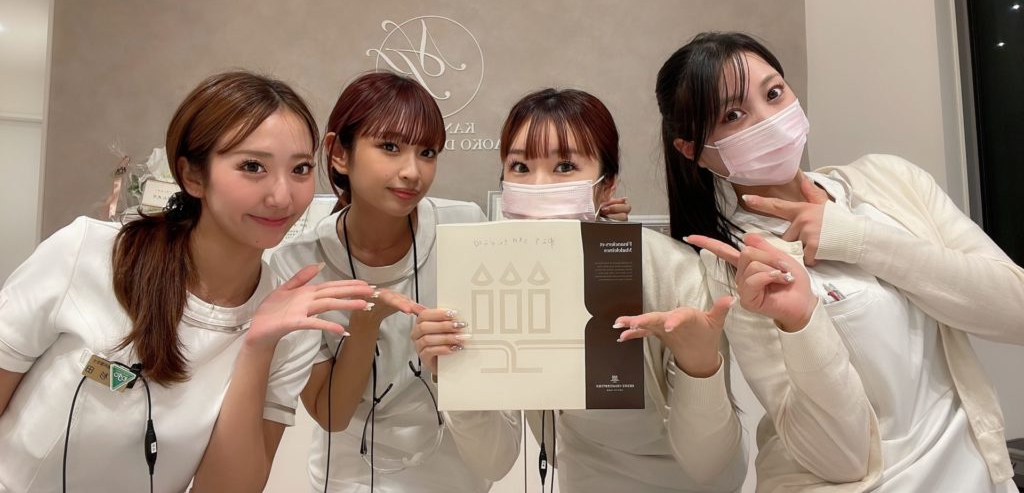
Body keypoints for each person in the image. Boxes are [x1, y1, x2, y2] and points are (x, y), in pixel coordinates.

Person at [656, 31, 1024, 492]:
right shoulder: (738, 267)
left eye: (774, 93)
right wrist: (800, 322)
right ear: (691, 149)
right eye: (733, 115)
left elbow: (1015, 311)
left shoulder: (890, 180)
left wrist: (857, 239)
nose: (769, 119)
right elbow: (839, 460)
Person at [0, 71, 373, 492]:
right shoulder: (87, 255)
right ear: (193, 176)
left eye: (300, 169)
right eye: (253, 167)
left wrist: (258, 347)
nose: (282, 196)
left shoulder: (289, 327)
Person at [413, 88, 748, 493]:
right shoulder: (495, 276)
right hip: (584, 479)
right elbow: (494, 461)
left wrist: (700, 367)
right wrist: (455, 379)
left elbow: (708, 464)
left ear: (607, 186)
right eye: (520, 166)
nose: (539, 185)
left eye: (565, 166)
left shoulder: (674, 271)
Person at [270, 71, 521, 492]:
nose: (412, 171)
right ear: (339, 153)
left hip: (456, 475)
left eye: (427, 152)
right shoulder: (299, 264)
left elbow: (493, 373)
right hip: (349, 479)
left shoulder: (465, 228)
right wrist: (366, 323)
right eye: (390, 147)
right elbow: (331, 415)